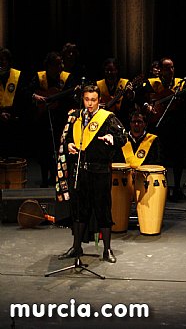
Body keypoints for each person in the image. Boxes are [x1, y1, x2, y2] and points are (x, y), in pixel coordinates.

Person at [57, 85, 127, 263]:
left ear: (99, 100)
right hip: (80, 171)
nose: (89, 103)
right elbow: (66, 139)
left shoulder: (107, 118)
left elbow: (122, 137)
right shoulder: (76, 117)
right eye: (87, 99)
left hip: (100, 171)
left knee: (103, 210)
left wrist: (112, 139)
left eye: (93, 100)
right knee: (79, 210)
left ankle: (107, 250)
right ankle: (76, 246)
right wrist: (69, 146)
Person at [137, 57, 186, 201]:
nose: (170, 71)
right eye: (166, 68)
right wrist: (147, 106)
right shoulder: (151, 83)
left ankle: (177, 187)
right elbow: (140, 99)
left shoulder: (181, 83)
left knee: (178, 157)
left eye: (172, 67)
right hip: (158, 125)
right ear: (159, 70)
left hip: (176, 125)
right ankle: (160, 186)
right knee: (159, 157)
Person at [29, 51, 78, 187]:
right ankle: (45, 179)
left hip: (61, 118)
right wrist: (36, 97)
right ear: (49, 66)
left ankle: (58, 178)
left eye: (61, 63)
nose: (60, 67)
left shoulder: (67, 78)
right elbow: (28, 91)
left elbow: (70, 98)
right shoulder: (40, 77)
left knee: (60, 149)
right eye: (57, 64)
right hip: (43, 119)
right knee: (44, 150)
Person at [0, 48, 28, 157]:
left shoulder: (17, 76)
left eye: (3, 60)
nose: (1, 63)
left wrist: (14, 115)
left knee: (13, 155)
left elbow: (23, 98)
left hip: (13, 119)